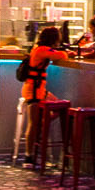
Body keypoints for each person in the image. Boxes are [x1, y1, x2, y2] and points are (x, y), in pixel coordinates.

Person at [12, 25, 70, 163]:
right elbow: (63, 55)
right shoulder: (43, 50)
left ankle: (41, 128)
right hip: (34, 92)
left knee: (57, 107)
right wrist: (65, 52)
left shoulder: (37, 49)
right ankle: (29, 155)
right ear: (53, 39)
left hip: (37, 90)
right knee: (33, 124)